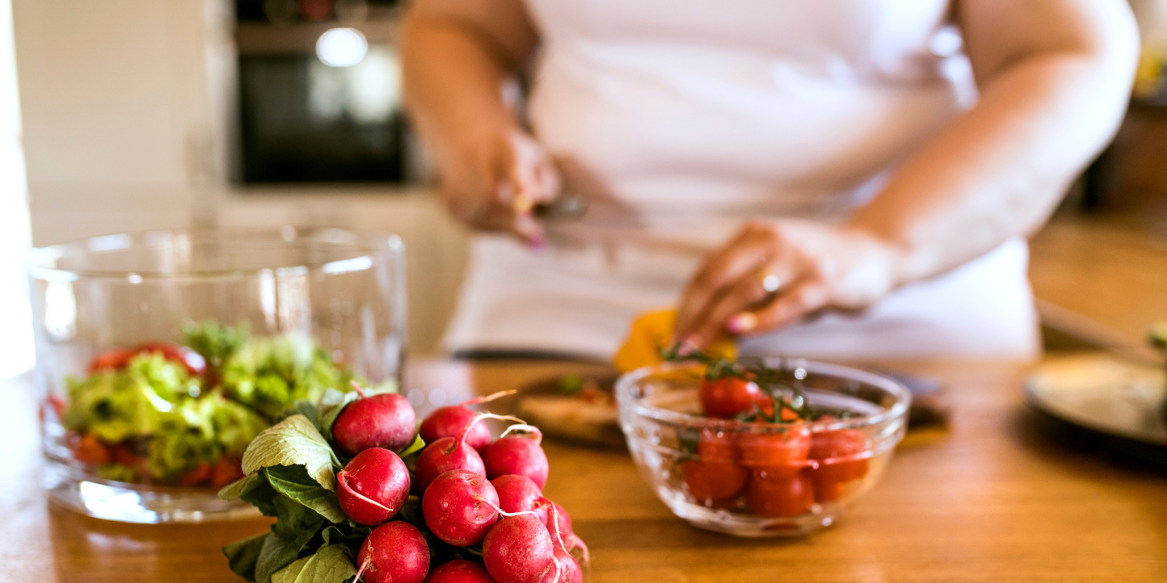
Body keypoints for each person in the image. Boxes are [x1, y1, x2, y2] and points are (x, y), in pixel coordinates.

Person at [402, 0, 1138, 360]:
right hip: (558, 319)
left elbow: (1073, 54)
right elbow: (454, 24)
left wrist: (877, 246)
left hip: (903, 340)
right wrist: (473, 134)